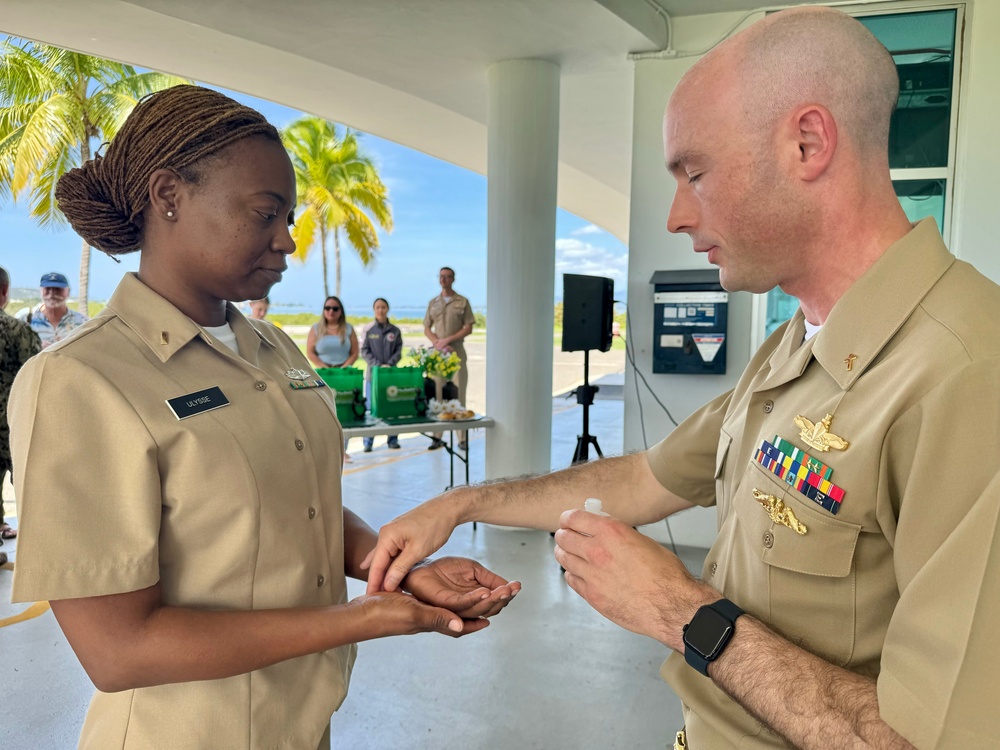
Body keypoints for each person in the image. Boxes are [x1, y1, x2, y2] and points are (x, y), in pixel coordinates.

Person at [363, 8, 1000, 749]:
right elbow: (645, 479)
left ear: (808, 143)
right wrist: (462, 501)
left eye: (696, 173)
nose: (674, 215)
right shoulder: (796, 345)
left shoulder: (967, 374)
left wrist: (678, 611)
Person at [8, 85, 520, 750]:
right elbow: (119, 651)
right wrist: (362, 618)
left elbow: (296, 505)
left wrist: (393, 569)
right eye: (265, 213)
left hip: (303, 724)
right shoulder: (81, 379)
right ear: (170, 196)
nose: (287, 240)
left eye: (290, 216)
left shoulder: (272, 349)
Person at [0, 267, 41, 557]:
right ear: (4, 293)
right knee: (29, 487)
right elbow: (36, 380)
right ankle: (36, 552)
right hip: (13, 426)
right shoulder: (17, 330)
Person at [423, 266, 475, 450]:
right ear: (439, 279)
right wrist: (438, 342)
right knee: (437, 396)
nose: (444, 280)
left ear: (453, 279)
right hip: (438, 355)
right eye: (441, 277)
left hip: (456, 353)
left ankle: (462, 439)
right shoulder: (433, 303)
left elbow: (468, 327)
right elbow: (427, 328)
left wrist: (448, 340)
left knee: (458, 394)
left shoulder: (462, 302)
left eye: (448, 277)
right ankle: (437, 437)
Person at [360, 297, 403, 451]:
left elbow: (399, 351)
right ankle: (368, 442)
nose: (380, 310)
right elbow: (364, 351)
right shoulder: (369, 330)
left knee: (391, 407)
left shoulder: (395, 331)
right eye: (378, 307)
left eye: (383, 307)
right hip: (374, 376)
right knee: (372, 408)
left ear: (387, 309)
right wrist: (378, 365)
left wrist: (389, 364)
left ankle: (392, 440)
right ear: (374, 310)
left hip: (390, 376)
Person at [15, 272, 88, 349]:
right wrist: (36, 347)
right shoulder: (26, 321)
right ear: (41, 291)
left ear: (68, 292)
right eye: (47, 289)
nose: (52, 293)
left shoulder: (83, 323)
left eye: (58, 289)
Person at [307, 295, 358, 368]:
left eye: (335, 309)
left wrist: (343, 368)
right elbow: (310, 353)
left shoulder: (349, 328)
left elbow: (355, 353)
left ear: (341, 311)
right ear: (324, 310)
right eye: (327, 308)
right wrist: (324, 368)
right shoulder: (315, 328)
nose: (331, 311)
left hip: (344, 373)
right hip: (322, 372)